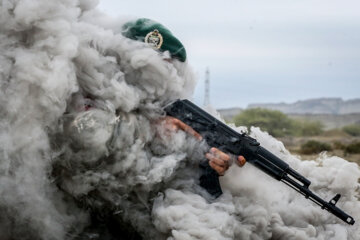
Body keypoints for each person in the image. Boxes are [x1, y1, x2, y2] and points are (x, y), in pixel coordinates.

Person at [66, 18, 246, 239]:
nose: (161, 79)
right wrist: (150, 129)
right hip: (91, 222)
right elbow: (79, 135)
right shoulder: (89, 94)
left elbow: (189, 183)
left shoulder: (179, 111)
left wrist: (213, 165)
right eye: (152, 67)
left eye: (170, 69)